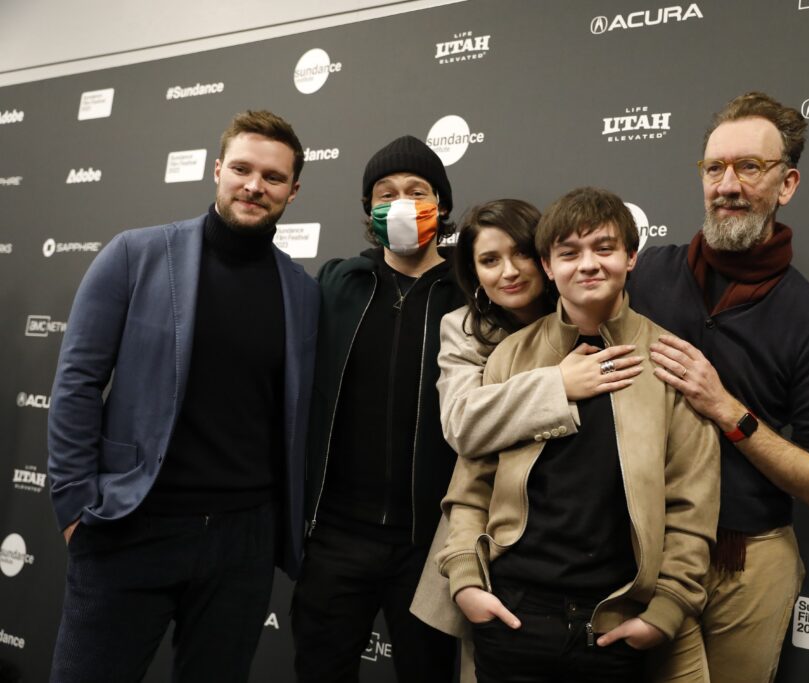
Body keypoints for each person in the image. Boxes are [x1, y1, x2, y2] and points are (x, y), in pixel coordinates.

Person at [46, 110, 319, 683]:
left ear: (293, 191)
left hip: (243, 542)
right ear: (217, 170)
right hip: (132, 523)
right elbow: (77, 382)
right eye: (241, 169)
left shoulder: (301, 291)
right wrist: (74, 503)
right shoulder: (135, 254)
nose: (254, 185)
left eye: (272, 177)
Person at [439, 187, 720, 683]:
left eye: (604, 248)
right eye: (569, 253)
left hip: (612, 624)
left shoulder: (668, 359)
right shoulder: (510, 355)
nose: (587, 265)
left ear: (631, 257)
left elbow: (691, 505)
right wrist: (466, 580)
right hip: (512, 617)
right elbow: (471, 485)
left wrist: (666, 610)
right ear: (548, 266)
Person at [628, 92, 809, 683]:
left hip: (748, 563)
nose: (727, 185)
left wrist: (728, 409)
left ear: (787, 185)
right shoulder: (648, 273)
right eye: (714, 169)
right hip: (643, 549)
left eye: (749, 168)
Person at [409, 198, 643, 682]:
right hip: (498, 556)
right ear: (473, 273)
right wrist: (558, 385)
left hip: (595, 574)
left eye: (518, 254)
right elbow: (462, 425)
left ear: (543, 257)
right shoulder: (464, 329)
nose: (509, 272)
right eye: (489, 261)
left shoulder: (598, 313)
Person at [293, 135, 461, 682]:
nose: (402, 202)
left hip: (432, 543)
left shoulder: (468, 293)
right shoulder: (336, 282)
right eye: (385, 193)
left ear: (442, 203)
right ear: (369, 210)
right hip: (337, 536)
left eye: (418, 191)